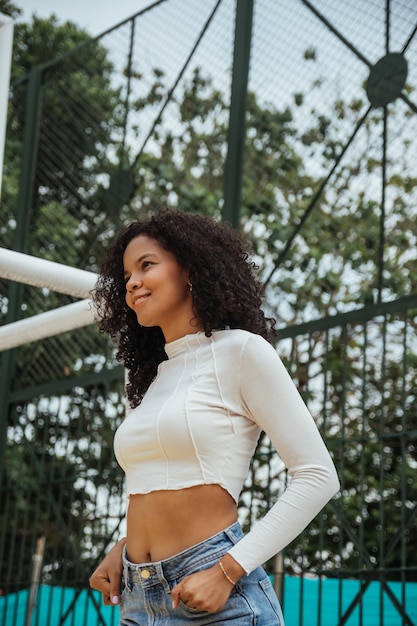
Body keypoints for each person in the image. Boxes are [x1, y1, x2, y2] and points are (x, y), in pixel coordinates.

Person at [90, 209, 339, 625]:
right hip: (138, 596)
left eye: (146, 265)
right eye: (126, 274)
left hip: (216, 593)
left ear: (189, 269)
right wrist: (126, 545)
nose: (131, 281)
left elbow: (317, 475)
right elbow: (160, 479)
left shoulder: (242, 351)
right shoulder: (146, 381)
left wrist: (228, 569)